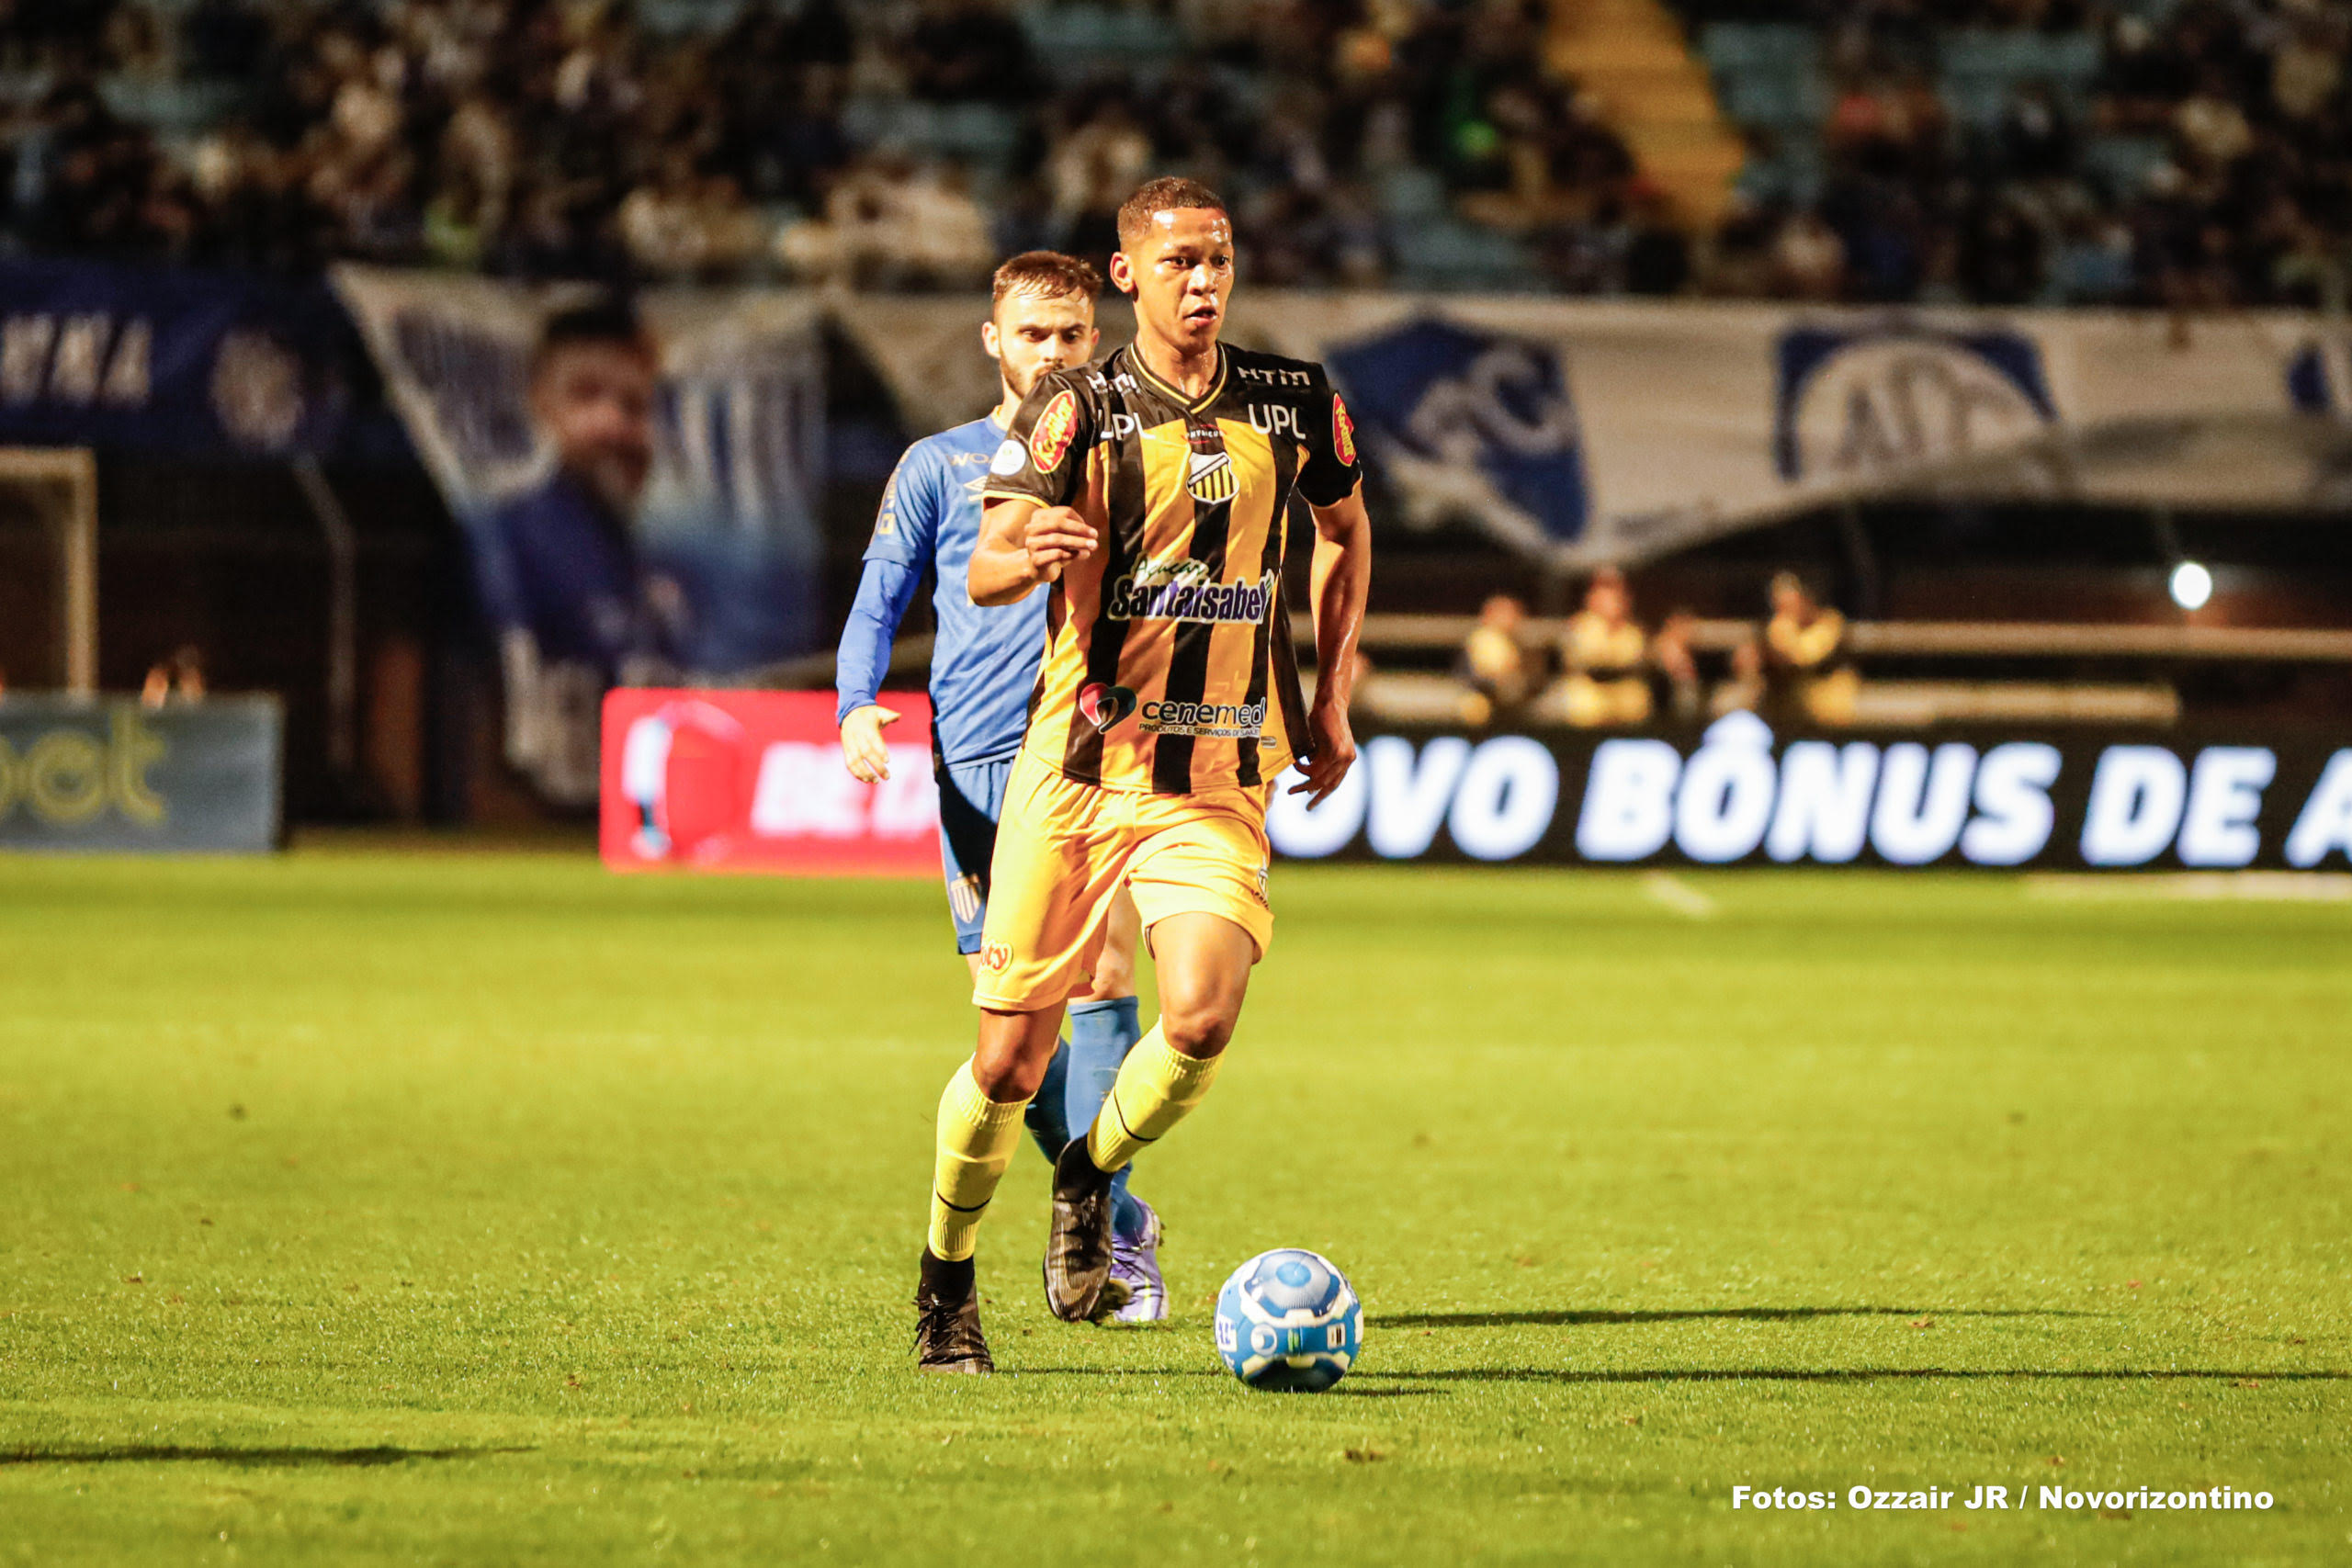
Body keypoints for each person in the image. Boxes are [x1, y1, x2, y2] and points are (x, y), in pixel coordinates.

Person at [910, 175, 1373, 1372]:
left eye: (1218, 259)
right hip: (1074, 777)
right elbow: (988, 565)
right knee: (1008, 1061)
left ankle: (1091, 1169)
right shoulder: (1073, 409)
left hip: (1213, 774)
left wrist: (1330, 692)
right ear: (1128, 275)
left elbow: (1348, 528)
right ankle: (946, 1280)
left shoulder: (1295, 400)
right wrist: (1031, 548)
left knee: (1203, 1015)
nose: (1204, 282)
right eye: (1179, 263)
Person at [834, 251, 1168, 1325]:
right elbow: (880, 593)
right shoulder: (938, 463)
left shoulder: (1133, 459)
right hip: (977, 756)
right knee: (1012, 1023)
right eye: (1035, 335)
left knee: (1109, 969)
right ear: (996, 341)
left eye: (1074, 336)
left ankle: (1106, 1241)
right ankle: (1115, 1214)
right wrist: (854, 700)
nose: (1056, 354)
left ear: (1098, 340)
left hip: (1094, 747)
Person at [478, 299, 689, 803]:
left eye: (634, 406)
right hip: (536, 813)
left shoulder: (674, 548)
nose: (611, 424)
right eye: (585, 396)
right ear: (541, 404)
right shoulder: (513, 532)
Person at [1762, 570, 1859, 727]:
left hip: (1833, 707)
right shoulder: (1780, 626)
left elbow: (1804, 656)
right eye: (1780, 603)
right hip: (1794, 713)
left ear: (1805, 599)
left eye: (1791, 601)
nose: (1787, 608)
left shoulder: (1831, 622)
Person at [1559, 567, 1651, 728]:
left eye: (1617, 594)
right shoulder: (1581, 626)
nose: (1612, 600)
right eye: (1605, 593)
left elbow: (1633, 660)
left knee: (1637, 701)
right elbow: (1591, 660)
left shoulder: (1633, 631)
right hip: (1590, 697)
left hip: (1624, 700)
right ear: (1592, 598)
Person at [1454, 592, 1539, 727]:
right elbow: (1467, 677)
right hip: (1485, 696)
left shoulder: (1525, 645)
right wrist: (1494, 681)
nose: (1508, 619)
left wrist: (1515, 681)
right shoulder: (1478, 641)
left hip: (1519, 701)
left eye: (1512, 614)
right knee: (1474, 708)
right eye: (1502, 614)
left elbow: (1535, 678)